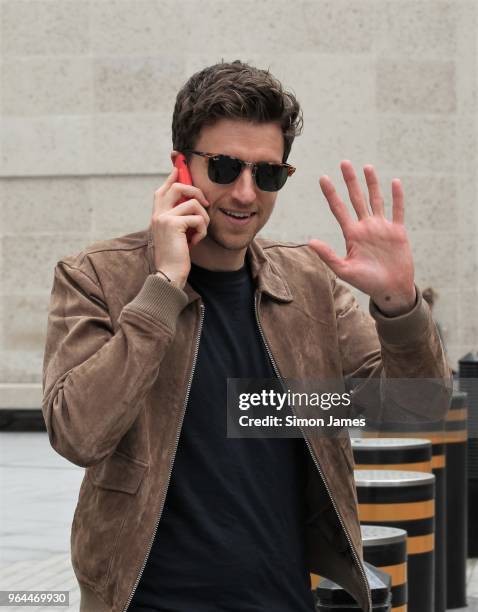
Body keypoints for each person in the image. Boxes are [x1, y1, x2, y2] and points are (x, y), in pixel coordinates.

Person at [41, 60, 452, 612]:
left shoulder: (307, 284)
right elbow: (78, 434)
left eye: (267, 174)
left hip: (281, 597)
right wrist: (164, 287)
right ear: (180, 167)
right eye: (226, 167)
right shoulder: (97, 277)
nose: (244, 193)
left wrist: (398, 305)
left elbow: (414, 411)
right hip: (143, 600)